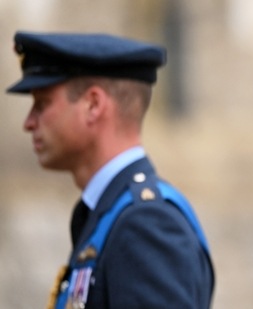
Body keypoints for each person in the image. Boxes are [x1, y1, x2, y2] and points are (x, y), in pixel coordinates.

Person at [6, 31, 214, 309]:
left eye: (42, 104)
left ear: (93, 105)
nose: (29, 122)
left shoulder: (145, 224)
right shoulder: (110, 213)